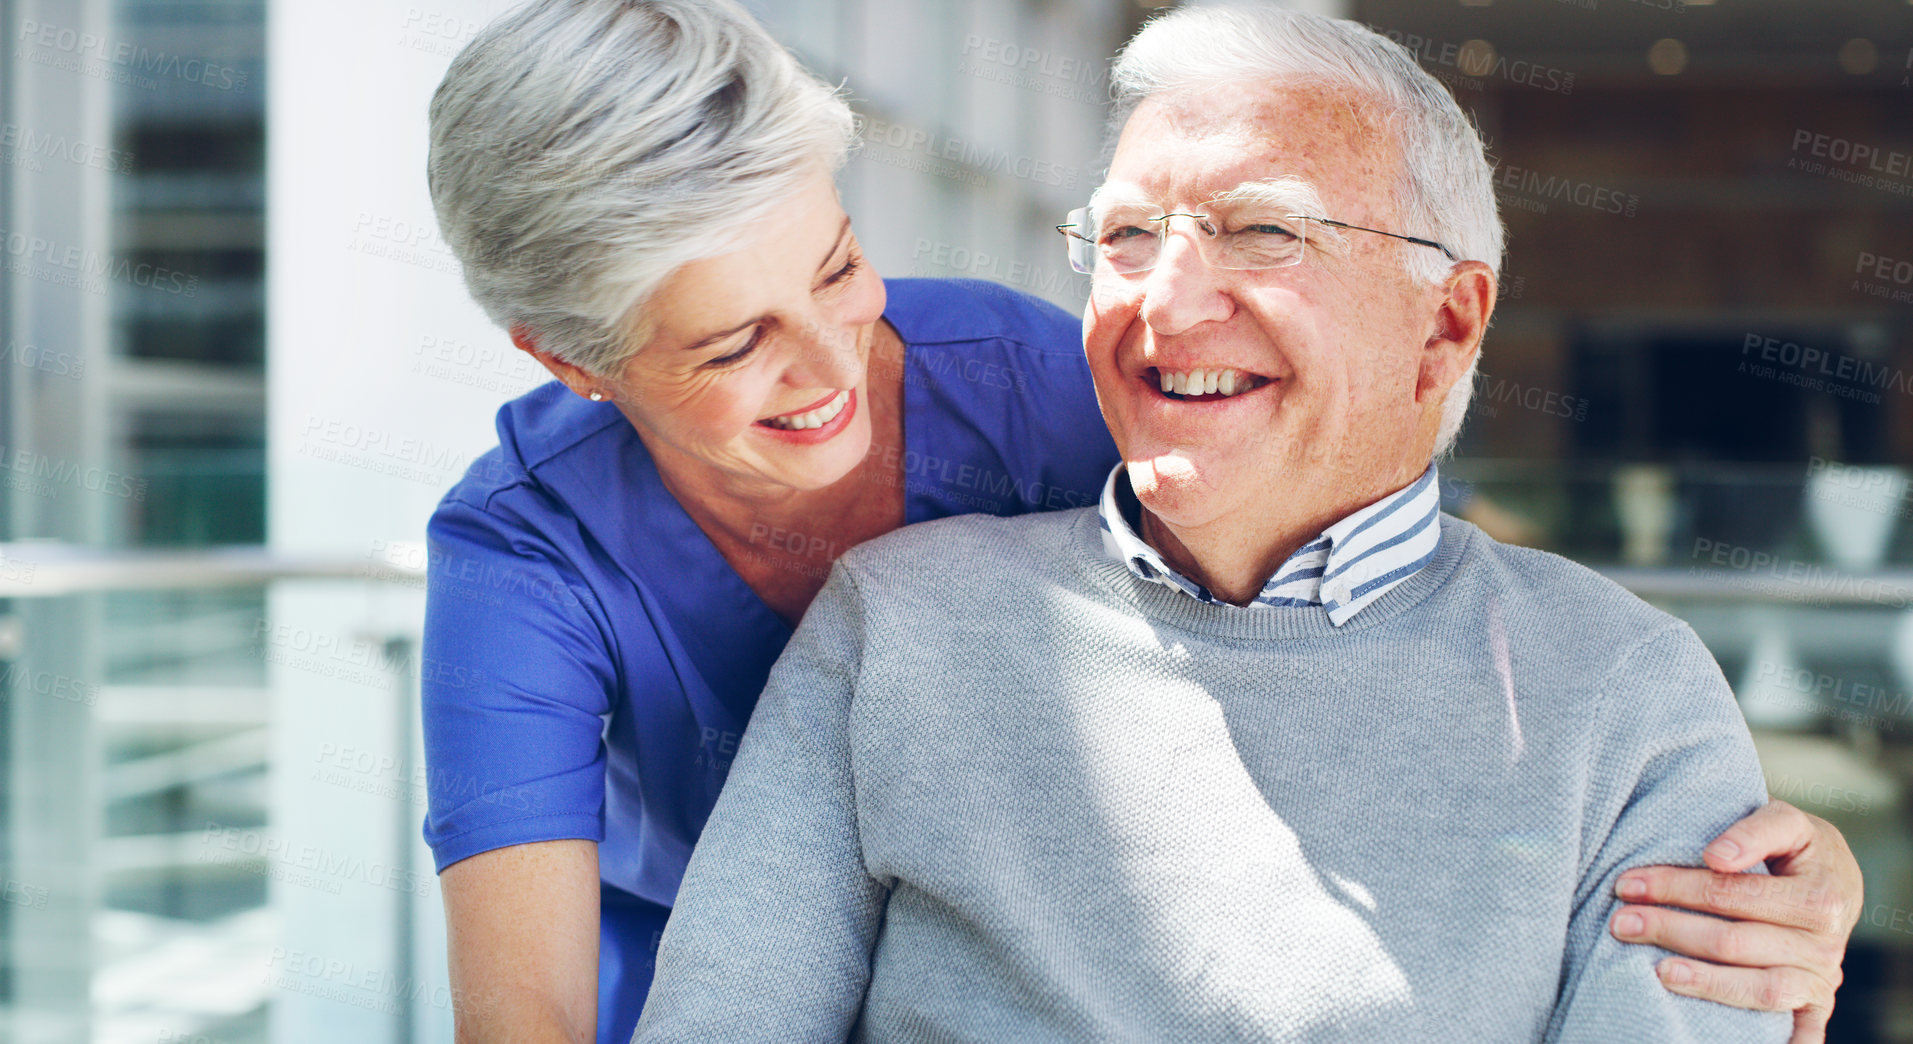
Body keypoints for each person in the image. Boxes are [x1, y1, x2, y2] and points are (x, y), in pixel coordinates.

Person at [417, 2, 1858, 1042]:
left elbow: (1362, 522)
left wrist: (1787, 867)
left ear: (1448, 314)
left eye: (1263, 228)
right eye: (1121, 238)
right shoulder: (835, 608)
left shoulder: (1619, 690)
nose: (1162, 307)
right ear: (574, 359)